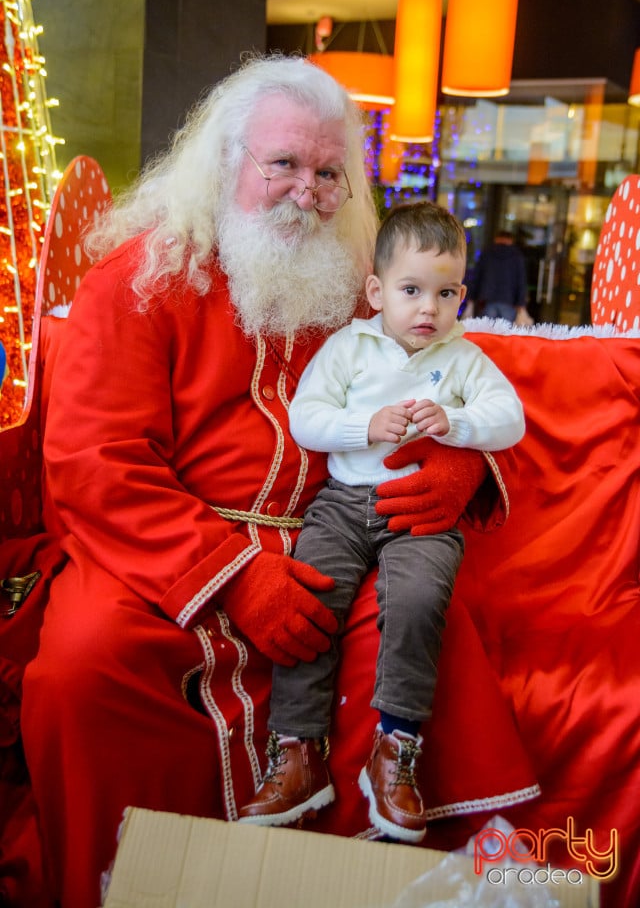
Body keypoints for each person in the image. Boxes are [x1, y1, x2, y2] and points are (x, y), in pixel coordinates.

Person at [19, 54, 517, 908]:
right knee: (80, 666)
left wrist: (461, 459)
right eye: (283, 164)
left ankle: (356, 886)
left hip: (339, 538)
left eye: (329, 172)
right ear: (227, 162)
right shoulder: (139, 279)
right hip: (165, 559)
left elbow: (451, 376)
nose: (308, 190)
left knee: (435, 626)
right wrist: (236, 575)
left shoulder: (360, 283)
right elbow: (97, 461)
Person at [237, 201, 525, 842]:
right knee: (310, 593)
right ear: (377, 291)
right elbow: (306, 417)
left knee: (422, 598)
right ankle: (298, 751)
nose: (429, 308)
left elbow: (511, 419)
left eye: (445, 293)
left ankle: (396, 748)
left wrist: (458, 424)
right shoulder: (350, 346)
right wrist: (361, 426)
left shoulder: (464, 358)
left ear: (462, 296)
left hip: (422, 509)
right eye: (412, 290)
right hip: (343, 502)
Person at [465, 229, 529, 322]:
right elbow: (521, 281)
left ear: (496, 239)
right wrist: (520, 302)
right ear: (510, 240)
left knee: (488, 331)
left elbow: (477, 277)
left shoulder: (487, 253)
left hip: (487, 299)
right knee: (505, 333)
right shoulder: (517, 256)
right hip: (509, 300)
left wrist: (471, 296)